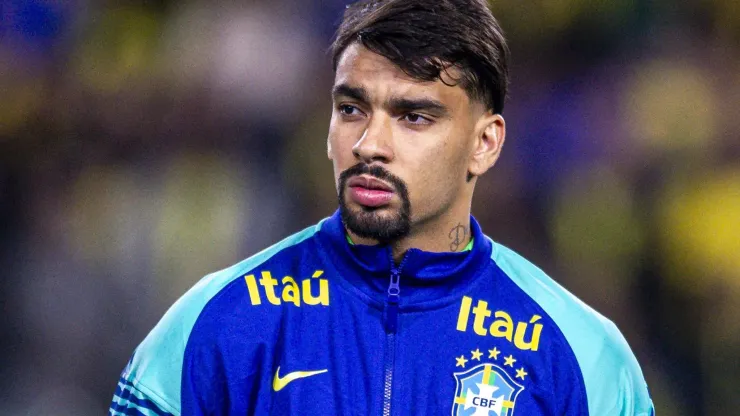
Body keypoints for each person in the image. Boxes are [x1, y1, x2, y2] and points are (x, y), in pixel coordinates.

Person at [110, 0, 655, 415]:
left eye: (414, 116)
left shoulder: (583, 354)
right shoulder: (216, 322)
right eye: (351, 109)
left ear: (484, 144)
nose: (370, 143)